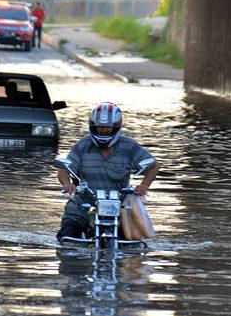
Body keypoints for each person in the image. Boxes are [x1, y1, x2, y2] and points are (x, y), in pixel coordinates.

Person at [56, 102, 160, 241]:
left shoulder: (129, 146)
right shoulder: (82, 145)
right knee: (67, 236)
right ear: (92, 127)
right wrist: (67, 184)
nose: (103, 131)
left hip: (119, 203)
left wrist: (144, 185)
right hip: (85, 200)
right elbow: (63, 169)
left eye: (107, 129)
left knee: (133, 242)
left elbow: (154, 166)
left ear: (116, 127)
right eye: (100, 128)